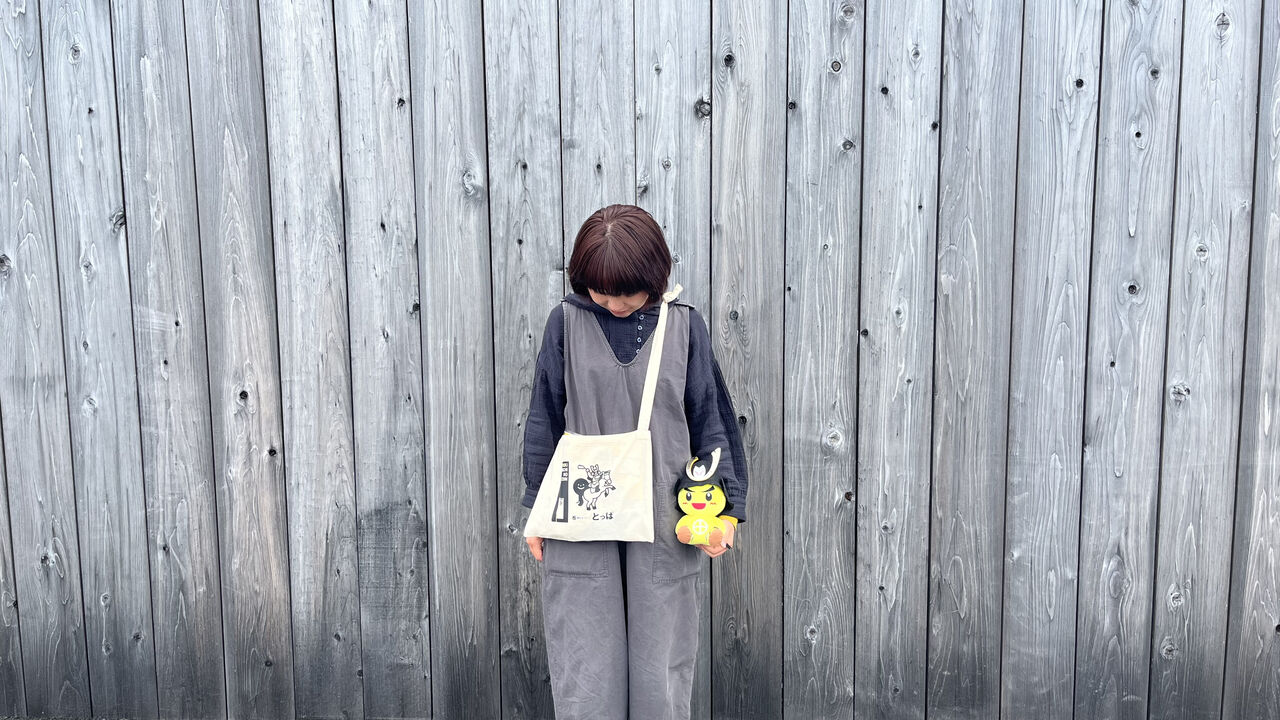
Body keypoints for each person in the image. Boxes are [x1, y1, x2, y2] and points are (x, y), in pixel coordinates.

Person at [520, 204, 749, 719]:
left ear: (654, 276)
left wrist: (726, 513)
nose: (614, 303)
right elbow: (544, 419)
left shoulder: (683, 326)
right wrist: (536, 511)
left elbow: (710, 419)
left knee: (659, 673)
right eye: (601, 291)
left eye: (627, 291)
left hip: (666, 520)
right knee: (586, 668)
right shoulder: (566, 323)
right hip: (580, 519)